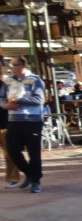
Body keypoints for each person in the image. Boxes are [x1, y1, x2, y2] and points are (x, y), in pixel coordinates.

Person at [1, 57, 45, 193]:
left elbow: (39, 99)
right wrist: (5, 105)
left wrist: (19, 100)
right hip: (14, 121)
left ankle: (35, 181)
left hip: (32, 121)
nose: (13, 67)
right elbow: (2, 98)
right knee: (12, 150)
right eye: (11, 65)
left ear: (23, 65)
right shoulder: (8, 81)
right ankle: (30, 174)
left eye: (16, 65)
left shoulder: (34, 80)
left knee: (34, 153)